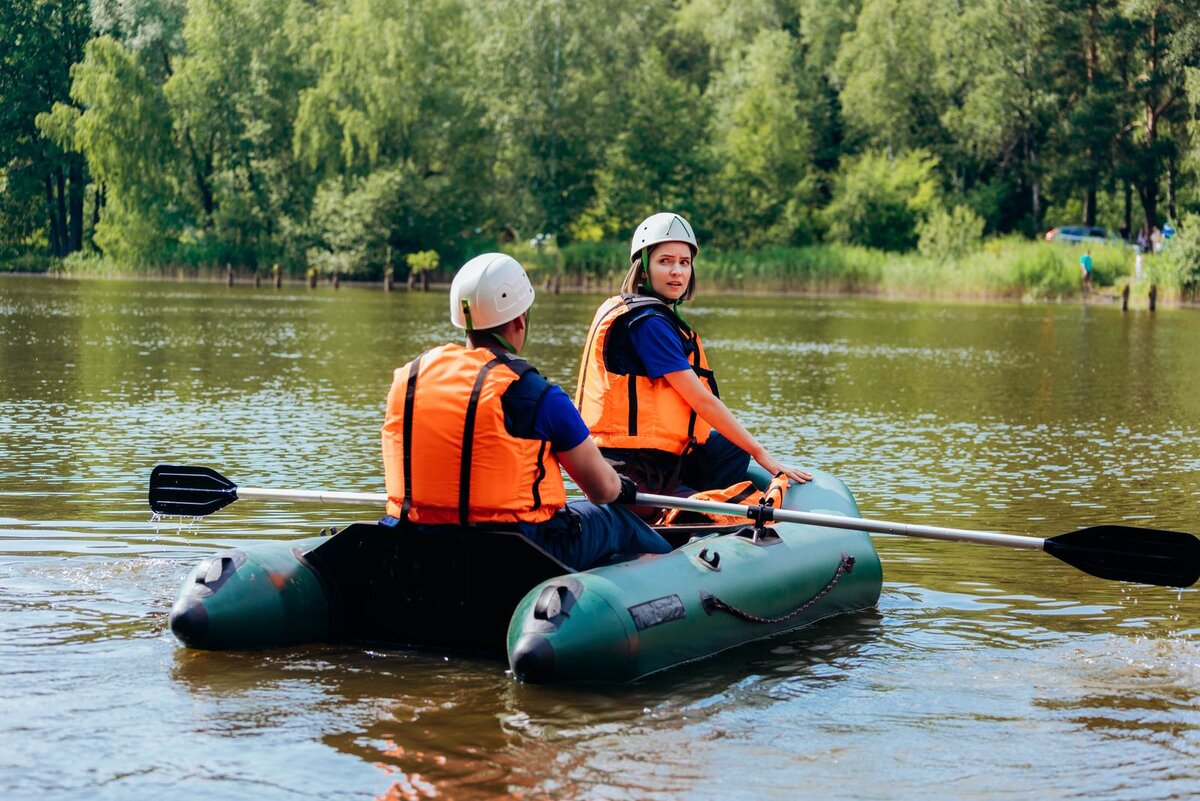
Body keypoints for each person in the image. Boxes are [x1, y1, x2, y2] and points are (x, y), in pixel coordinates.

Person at [380, 253, 672, 570]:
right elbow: (600, 489)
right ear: (520, 320)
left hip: (418, 541)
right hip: (517, 551)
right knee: (612, 519)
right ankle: (678, 567)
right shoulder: (536, 394)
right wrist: (623, 487)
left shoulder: (409, 379)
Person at [575, 212, 811, 505]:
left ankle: (682, 497)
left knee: (731, 446)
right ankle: (674, 513)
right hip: (631, 471)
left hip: (655, 461)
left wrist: (750, 448)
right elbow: (700, 399)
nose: (677, 271)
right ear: (644, 269)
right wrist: (764, 456)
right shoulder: (647, 323)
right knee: (739, 463)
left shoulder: (650, 314)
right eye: (665, 261)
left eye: (684, 263)